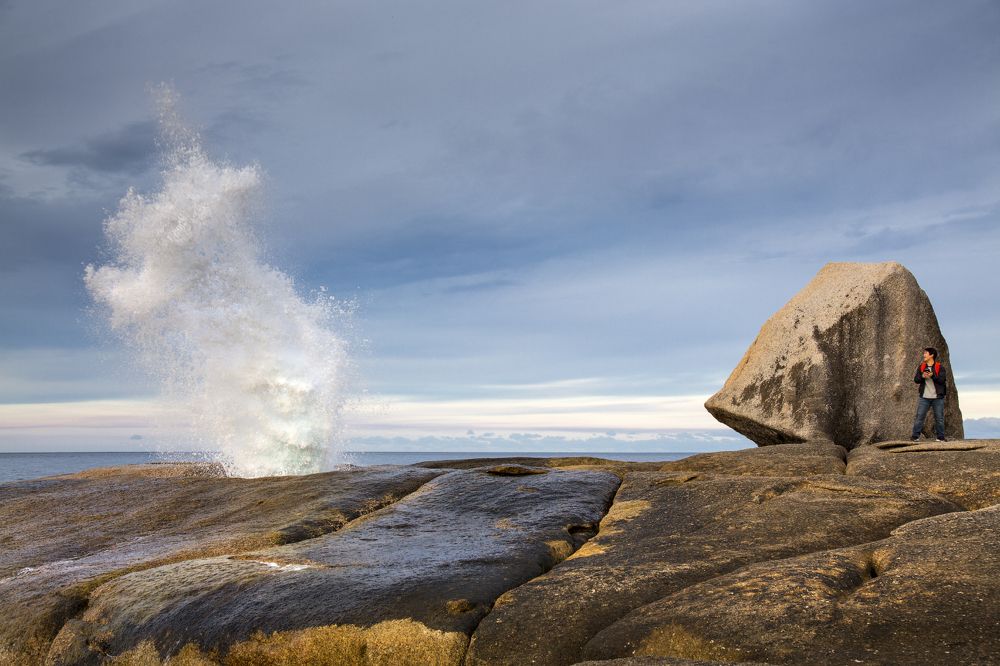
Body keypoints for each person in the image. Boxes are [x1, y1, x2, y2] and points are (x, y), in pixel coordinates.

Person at [910, 347, 947, 441]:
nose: (924, 355)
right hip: (924, 397)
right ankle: (915, 437)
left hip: (937, 397)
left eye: (926, 353)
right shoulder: (922, 367)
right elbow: (916, 380)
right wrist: (922, 376)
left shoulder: (939, 367)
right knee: (919, 417)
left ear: (932, 355)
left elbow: (942, 380)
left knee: (939, 418)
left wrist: (932, 376)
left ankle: (940, 437)